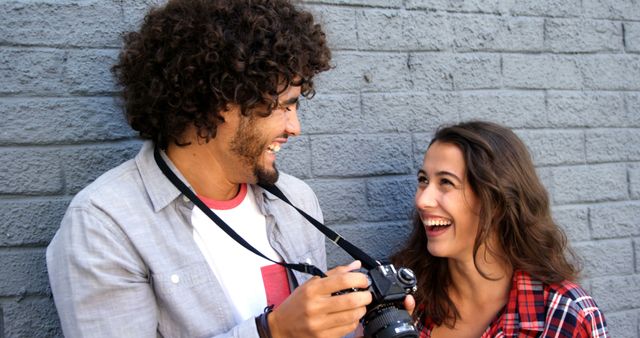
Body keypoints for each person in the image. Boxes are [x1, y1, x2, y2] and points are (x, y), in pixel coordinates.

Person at [46, 0, 401, 336]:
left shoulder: (296, 200)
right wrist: (272, 332)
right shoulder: (105, 224)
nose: (295, 128)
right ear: (221, 100)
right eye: (285, 106)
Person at [392, 121, 608, 337]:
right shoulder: (406, 302)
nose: (422, 200)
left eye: (446, 182)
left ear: (495, 200)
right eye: (423, 180)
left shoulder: (566, 315)